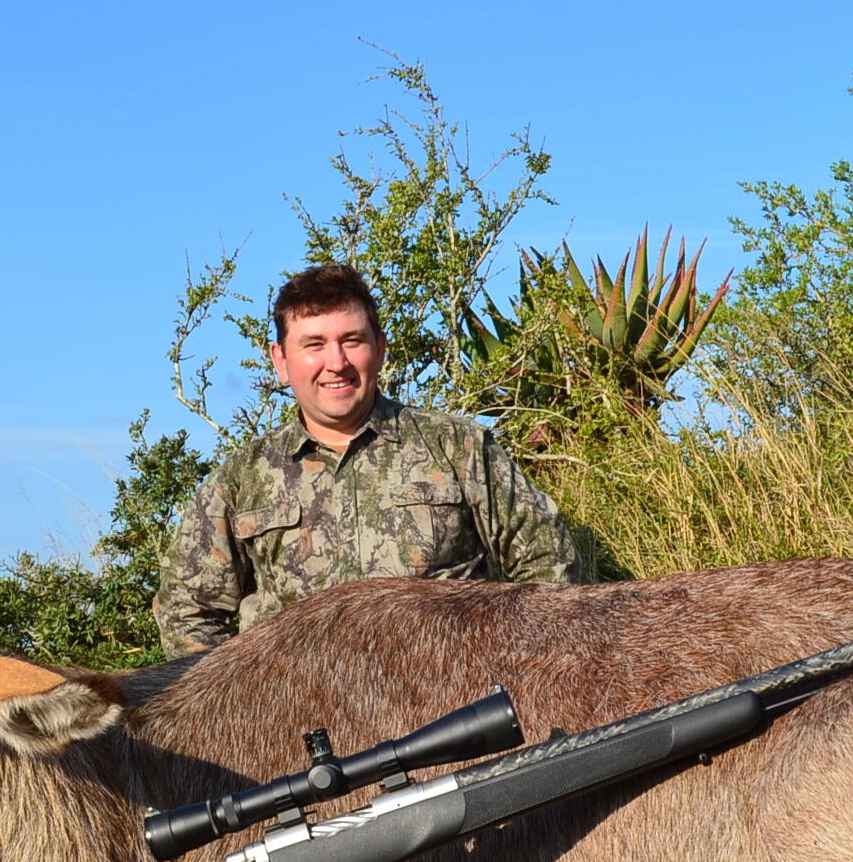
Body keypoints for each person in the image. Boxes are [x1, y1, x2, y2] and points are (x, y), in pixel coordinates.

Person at [154, 263, 584, 654]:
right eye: (314, 344)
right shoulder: (239, 480)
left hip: (453, 709)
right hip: (297, 720)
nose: (336, 363)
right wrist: (245, 705)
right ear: (281, 361)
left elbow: (550, 562)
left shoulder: (459, 447)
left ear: (379, 348)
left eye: (352, 341)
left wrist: (506, 662)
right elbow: (185, 612)